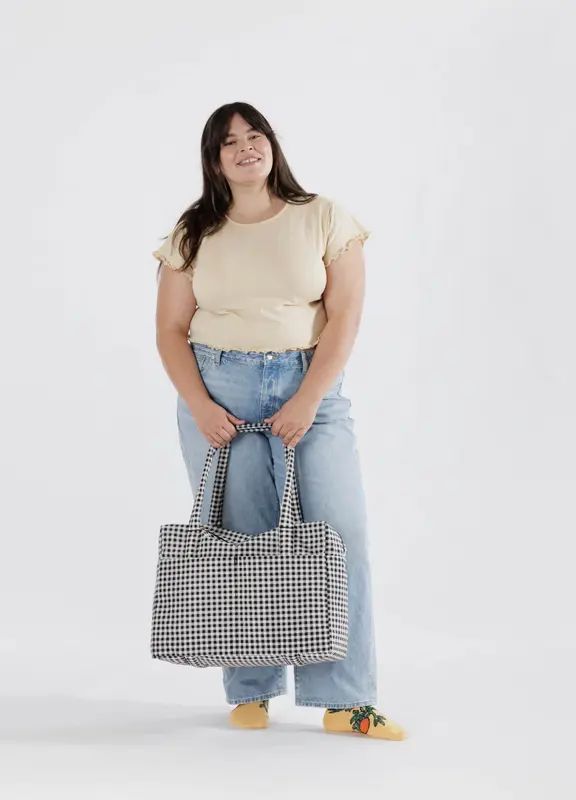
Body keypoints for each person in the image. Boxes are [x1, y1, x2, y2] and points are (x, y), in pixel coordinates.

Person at [152, 102, 406, 741]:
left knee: (338, 535)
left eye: (254, 134)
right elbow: (170, 329)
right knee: (241, 538)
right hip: (219, 393)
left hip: (309, 386)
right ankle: (252, 690)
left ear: (272, 144)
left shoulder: (323, 216)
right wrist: (202, 406)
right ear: (214, 160)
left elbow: (344, 317)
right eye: (228, 141)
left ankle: (348, 701)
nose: (245, 147)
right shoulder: (194, 230)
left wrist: (308, 399)